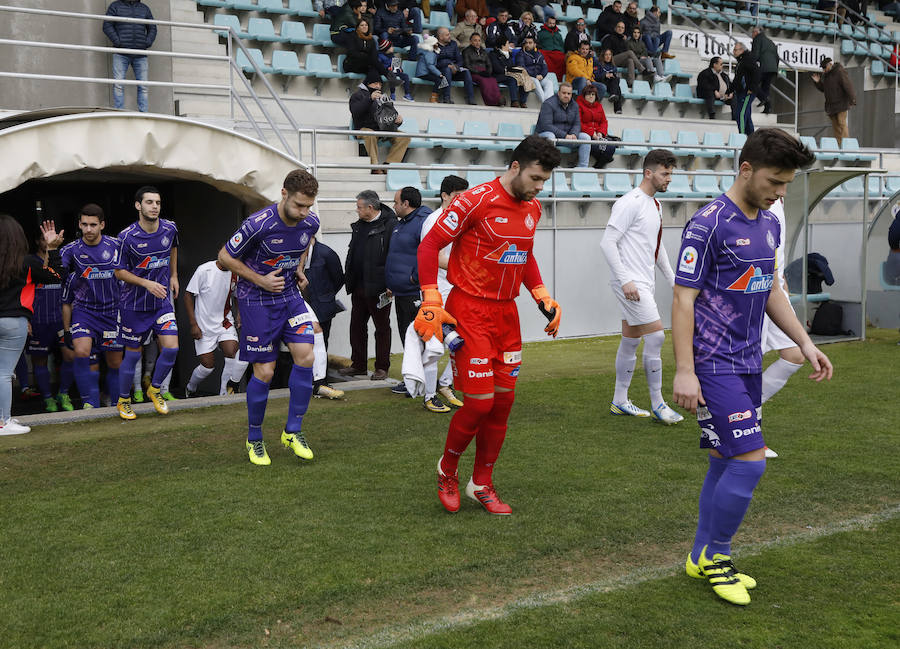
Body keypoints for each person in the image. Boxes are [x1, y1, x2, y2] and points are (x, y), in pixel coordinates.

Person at [673, 128, 831, 606]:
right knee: (750, 460)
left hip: (747, 361)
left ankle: (700, 555)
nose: (780, 192)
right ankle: (719, 557)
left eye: (785, 185)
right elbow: (683, 298)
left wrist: (804, 341)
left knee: (724, 459)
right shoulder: (708, 224)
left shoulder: (769, 222)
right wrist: (685, 369)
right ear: (746, 169)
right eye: (775, 182)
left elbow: (771, 291)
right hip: (713, 362)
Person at [416, 135, 563, 515]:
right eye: (535, 178)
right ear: (515, 167)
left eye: (544, 181)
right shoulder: (475, 200)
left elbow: (524, 253)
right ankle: (447, 469)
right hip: (469, 310)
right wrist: (431, 296)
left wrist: (541, 293)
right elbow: (429, 245)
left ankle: (481, 482)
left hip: (506, 314)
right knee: (480, 402)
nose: (538, 187)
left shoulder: (533, 208)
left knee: (503, 403)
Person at [218, 170, 321, 466]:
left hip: (289, 297)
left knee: (306, 357)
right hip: (257, 300)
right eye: (299, 205)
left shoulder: (310, 221)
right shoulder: (257, 224)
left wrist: (298, 270)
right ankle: (254, 438)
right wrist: (260, 280)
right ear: (284, 194)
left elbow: (301, 246)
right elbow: (224, 256)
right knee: (264, 372)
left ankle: (293, 431)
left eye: (309, 207)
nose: (304, 213)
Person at [600, 149, 682, 423]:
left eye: (671, 173)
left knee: (631, 339)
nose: (669, 179)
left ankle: (619, 401)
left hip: (643, 282)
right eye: (665, 173)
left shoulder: (656, 206)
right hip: (630, 283)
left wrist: (673, 282)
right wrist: (625, 280)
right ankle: (658, 405)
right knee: (656, 336)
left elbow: (656, 249)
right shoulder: (630, 202)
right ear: (649, 173)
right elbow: (607, 243)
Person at [114, 186, 179, 421]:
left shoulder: (170, 228)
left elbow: (173, 247)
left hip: (161, 302)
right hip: (133, 305)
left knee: (171, 348)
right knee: (132, 356)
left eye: (158, 202)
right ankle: (123, 400)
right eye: (149, 202)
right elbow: (119, 272)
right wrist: (146, 283)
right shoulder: (126, 236)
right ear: (138, 205)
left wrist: (173, 275)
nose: (154, 206)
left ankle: (155, 389)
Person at [385, 187, 450, 410]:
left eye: (396, 202)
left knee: (424, 337)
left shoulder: (424, 221)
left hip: (415, 291)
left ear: (406, 203)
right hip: (401, 291)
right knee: (410, 336)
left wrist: (414, 278)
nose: (393, 206)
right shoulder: (401, 223)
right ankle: (415, 379)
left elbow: (426, 252)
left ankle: (427, 387)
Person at [0, 218, 64, 435]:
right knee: (4, 373)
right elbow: (57, 276)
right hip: (14, 322)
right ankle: (3, 421)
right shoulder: (26, 262)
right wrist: (53, 249)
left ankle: (3, 417)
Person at [59, 204, 122, 410]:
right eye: (84, 224)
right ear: (79, 224)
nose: (88, 229)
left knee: (114, 364)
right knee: (82, 352)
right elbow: (53, 273)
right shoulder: (71, 249)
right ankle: (88, 403)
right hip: (84, 312)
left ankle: (114, 404)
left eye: (93, 225)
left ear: (102, 225)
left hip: (112, 313)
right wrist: (51, 249)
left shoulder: (116, 245)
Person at [757, 197, 805, 459]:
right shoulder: (762, 199)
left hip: (774, 288)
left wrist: (780, 278)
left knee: (796, 353)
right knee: (750, 364)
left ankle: (739, 413)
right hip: (756, 291)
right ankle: (749, 433)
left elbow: (775, 247)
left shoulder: (778, 198)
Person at [419, 174, 469, 411]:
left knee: (462, 340)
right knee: (434, 346)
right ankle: (429, 396)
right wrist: (468, 267)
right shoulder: (435, 220)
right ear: (445, 196)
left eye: (465, 196)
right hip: (436, 292)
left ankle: (445, 384)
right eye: (458, 196)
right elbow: (434, 256)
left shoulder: (462, 219)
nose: (462, 201)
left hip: (457, 289)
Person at [340, 190, 397, 381]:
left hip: (380, 288)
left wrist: (391, 283)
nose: (356, 210)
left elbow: (394, 256)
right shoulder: (359, 226)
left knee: (381, 328)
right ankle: (358, 365)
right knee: (356, 326)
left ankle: (382, 367)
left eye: (359, 207)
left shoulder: (390, 225)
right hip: (358, 286)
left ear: (370, 208)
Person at [26, 228, 74, 413]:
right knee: (40, 361)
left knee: (70, 355)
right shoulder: (30, 262)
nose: (48, 241)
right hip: (38, 319)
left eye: (52, 239)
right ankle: (48, 398)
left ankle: (63, 393)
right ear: (38, 241)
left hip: (60, 319)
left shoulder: (61, 260)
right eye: (44, 239)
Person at [182, 258, 244, 398]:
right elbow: (187, 296)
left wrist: (239, 314)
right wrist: (193, 324)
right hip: (203, 326)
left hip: (224, 323)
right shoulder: (204, 270)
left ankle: (224, 394)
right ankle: (190, 388)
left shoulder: (235, 273)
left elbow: (236, 296)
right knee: (207, 367)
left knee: (231, 351)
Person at [300, 234, 346, 399]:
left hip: (322, 307)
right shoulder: (293, 251)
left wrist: (325, 295)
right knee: (300, 345)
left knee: (321, 342)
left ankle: (321, 381)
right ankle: (306, 381)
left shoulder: (326, 253)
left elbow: (339, 278)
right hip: (299, 307)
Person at [349, 70, 410, 174]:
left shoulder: (383, 97)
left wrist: (397, 121)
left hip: (383, 129)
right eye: (375, 83)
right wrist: (369, 99)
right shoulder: (357, 95)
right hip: (364, 128)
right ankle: (375, 166)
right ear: (368, 84)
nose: (378, 86)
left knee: (404, 137)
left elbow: (389, 115)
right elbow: (355, 111)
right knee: (370, 134)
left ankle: (389, 165)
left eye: (380, 84)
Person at [103, 0, 156, 113]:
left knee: (143, 86)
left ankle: (144, 114)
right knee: (118, 85)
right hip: (121, 52)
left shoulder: (144, 8)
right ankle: (119, 113)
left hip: (140, 53)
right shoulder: (115, 6)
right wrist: (118, 42)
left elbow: (153, 27)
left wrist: (147, 42)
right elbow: (107, 25)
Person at [536, 82, 592, 168]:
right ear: (558, 93)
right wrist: (565, 135)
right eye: (564, 93)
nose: (566, 95)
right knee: (550, 136)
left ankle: (582, 168)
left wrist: (574, 134)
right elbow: (546, 125)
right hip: (545, 136)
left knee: (585, 137)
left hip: (566, 137)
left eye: (569, 94)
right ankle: (551, 166)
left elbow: (577, 124)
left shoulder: (575, 105)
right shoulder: (548, 104)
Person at [342, 18, 398, 97]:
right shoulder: (352, 37)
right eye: (362, 25)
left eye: (366, 25)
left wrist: (368, 57)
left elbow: (374, 55)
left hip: (366, 65)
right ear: (358, 27)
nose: (364, 27)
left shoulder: (370, 39)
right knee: (373, 62)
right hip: (351, 64)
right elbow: (352, 53)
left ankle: (375, 94)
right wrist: (366, 56)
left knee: (374, 71)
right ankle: (389, 76)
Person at [811, 57, 857, 145]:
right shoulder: (825, 75)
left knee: (842, 123)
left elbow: (847, 85)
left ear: (830, 65)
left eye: (824, 67)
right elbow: (824, 89)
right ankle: (839, 146)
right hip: (831, 106)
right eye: (822, 68)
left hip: (841, 103)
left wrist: (852, 99)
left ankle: (847, 145)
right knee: (836, 127)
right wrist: (817, 82)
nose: (823, 70)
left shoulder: (839, 71)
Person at [575, 85, 616, 168]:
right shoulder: (578, 105)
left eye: (593, 94)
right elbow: (578, 123)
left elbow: (604, 122)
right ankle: (606, 159)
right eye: (588, 94)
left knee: (611, 146)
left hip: (598, 135)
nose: (591, 96)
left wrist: (600, 133)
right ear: (584, 95)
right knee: (597, 147)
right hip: (585, 135)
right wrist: (592, 133)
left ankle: (597, 167)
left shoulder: (599, 106)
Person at [434, 26, 477, 105]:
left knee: (466, 71)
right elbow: (435, 62)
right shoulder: (434, 45)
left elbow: (460, 60)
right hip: (441, 71)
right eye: (447, 35)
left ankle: (471, 98)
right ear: (440, 37)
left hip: (454, 69)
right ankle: (446, 98)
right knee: (447, 70)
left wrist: (455, 67)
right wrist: (448, 65)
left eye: (449, 34)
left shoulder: (453, 44)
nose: (450, 36)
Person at [464, 33, 503, 106]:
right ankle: (490, 102)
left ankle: (498, 99)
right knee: (483, 81)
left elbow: (489, 64)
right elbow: (467, 65)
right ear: (470, 42)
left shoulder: (484, 51)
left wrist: (488, 72)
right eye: (475, 40)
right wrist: (479, 72)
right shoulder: (466, 51)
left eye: (479, 40)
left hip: (484, 72)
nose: (477, 42)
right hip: (474, 73)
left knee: (493, 80)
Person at [489, 36, 529, 107]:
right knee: (512, 79)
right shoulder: (494, 54)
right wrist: (509, 71)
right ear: (503, 45)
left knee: (524, 78)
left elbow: (511, 66)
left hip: (508, 74)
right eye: (507, 43)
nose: (509, 45)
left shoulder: (509, 55)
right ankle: (514, 101)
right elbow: (497, 68)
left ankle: (523, 101)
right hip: (497, 76)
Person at [605, 20, 646, 88]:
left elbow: (624, 52)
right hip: (611, 59)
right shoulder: (609, 37)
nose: (620, 29)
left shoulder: (623, 40)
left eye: (622, 28)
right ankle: (642, 69)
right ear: (615, 28)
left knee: (630, 60)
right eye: (619, 27)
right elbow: (606, 51)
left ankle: (630, 83)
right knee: (630, 53)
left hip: (619, 60)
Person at [515, 35, 555, 103]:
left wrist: (542, 75)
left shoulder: (539, 54)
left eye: (530, 43)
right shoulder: (521, 54)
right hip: (526, 77)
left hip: (538, 77)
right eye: (526, 43)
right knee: (535, 81)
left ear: (535, 44)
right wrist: (534, 75)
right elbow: (522, 68)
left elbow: (545, 67)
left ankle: (549, 103)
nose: (527, 45)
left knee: (549, 83)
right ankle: (546, 104)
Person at [731, 42, 759, 136]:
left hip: (747, 91)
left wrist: (751, 88)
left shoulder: (748, 59)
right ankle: (751, 137)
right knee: (746, 114)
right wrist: (729, 91)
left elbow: (756, 73)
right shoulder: (741, 61)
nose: (733, 51)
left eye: (735, 50)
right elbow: (737, 79)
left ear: (742, 50)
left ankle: (742, 135)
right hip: (741, 91)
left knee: (741, 114)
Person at [751, 27, 777, 114]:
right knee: (765, 88)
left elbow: (756, 53)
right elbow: (777, 57)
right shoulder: (770, 41)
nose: (752, 34)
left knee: (752, 84)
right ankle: (767, 108)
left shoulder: (757, 39)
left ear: (756, 32)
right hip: (772, 68)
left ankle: (765, 99)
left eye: (752, 32)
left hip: (763, 67)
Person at [537, 14, 566, 80]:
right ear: (546, 23)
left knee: (564, 59)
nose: (552, 25)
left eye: (553, 23)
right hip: (546, 52)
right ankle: (548, 78)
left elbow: (562, 45)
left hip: (558, 53)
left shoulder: (558, 34)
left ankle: (559, 80)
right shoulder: (540, 33)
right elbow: (537, 43)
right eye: (550, 23)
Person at [596, 47, 624, 114]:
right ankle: (618, 108)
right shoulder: (599, 64)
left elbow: (615, 79)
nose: (608, 56)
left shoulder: (613, 66)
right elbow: (596, 77)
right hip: (601, 82)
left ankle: (613, 95)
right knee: (617, 87)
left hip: (610, 85)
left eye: (609, 55)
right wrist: (605, 75)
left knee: (616, 82)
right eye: (606, 55)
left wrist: (611, 76)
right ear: (603, 56)